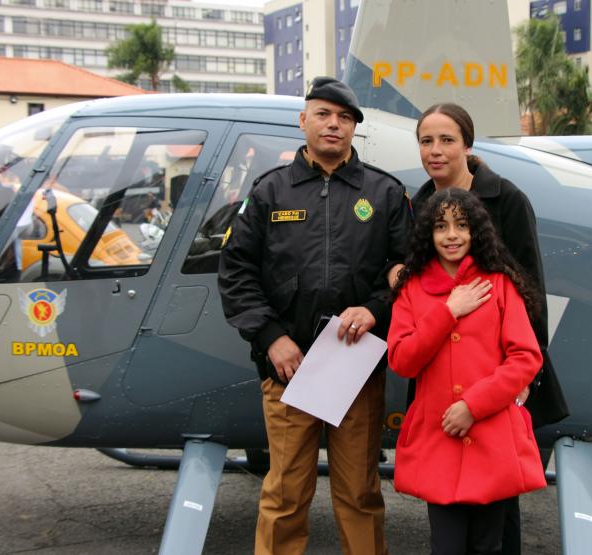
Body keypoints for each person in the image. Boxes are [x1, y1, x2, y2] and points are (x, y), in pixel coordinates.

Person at [219, 76, 410, 555]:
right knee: (285, 494)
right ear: (303, 120)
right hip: (289, 367)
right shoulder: (269, 192)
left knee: (360, 494)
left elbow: (409, 274)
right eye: (323, 114)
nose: (333, 124)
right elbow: (236, 271)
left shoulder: (384, 195)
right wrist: (269, 337)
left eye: (345, 118)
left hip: (356, 369)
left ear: (354, 130)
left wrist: (373, 309)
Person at [402, 102, 570, 554]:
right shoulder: (418, 204)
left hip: (500, 381)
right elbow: (408, 275)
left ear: (467, 145)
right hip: (441, 381)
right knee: (451, 522)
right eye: (426, 141)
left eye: (447, 140)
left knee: (500, 509)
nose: (436, 151)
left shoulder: (506, 199)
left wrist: (524, 379)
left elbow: (530, 288)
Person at [387, 188, 548, 554]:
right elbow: (402, 359)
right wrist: (448, 312)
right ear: (429, 234)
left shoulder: (499, 284)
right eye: (441, 226)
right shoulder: (411, 290)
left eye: (461, 225)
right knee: (445, 545)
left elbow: (525, 356)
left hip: (491, 437)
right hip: (439, 439)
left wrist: (473, 406)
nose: (452, 235)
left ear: (476, 231)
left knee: (488, 545)